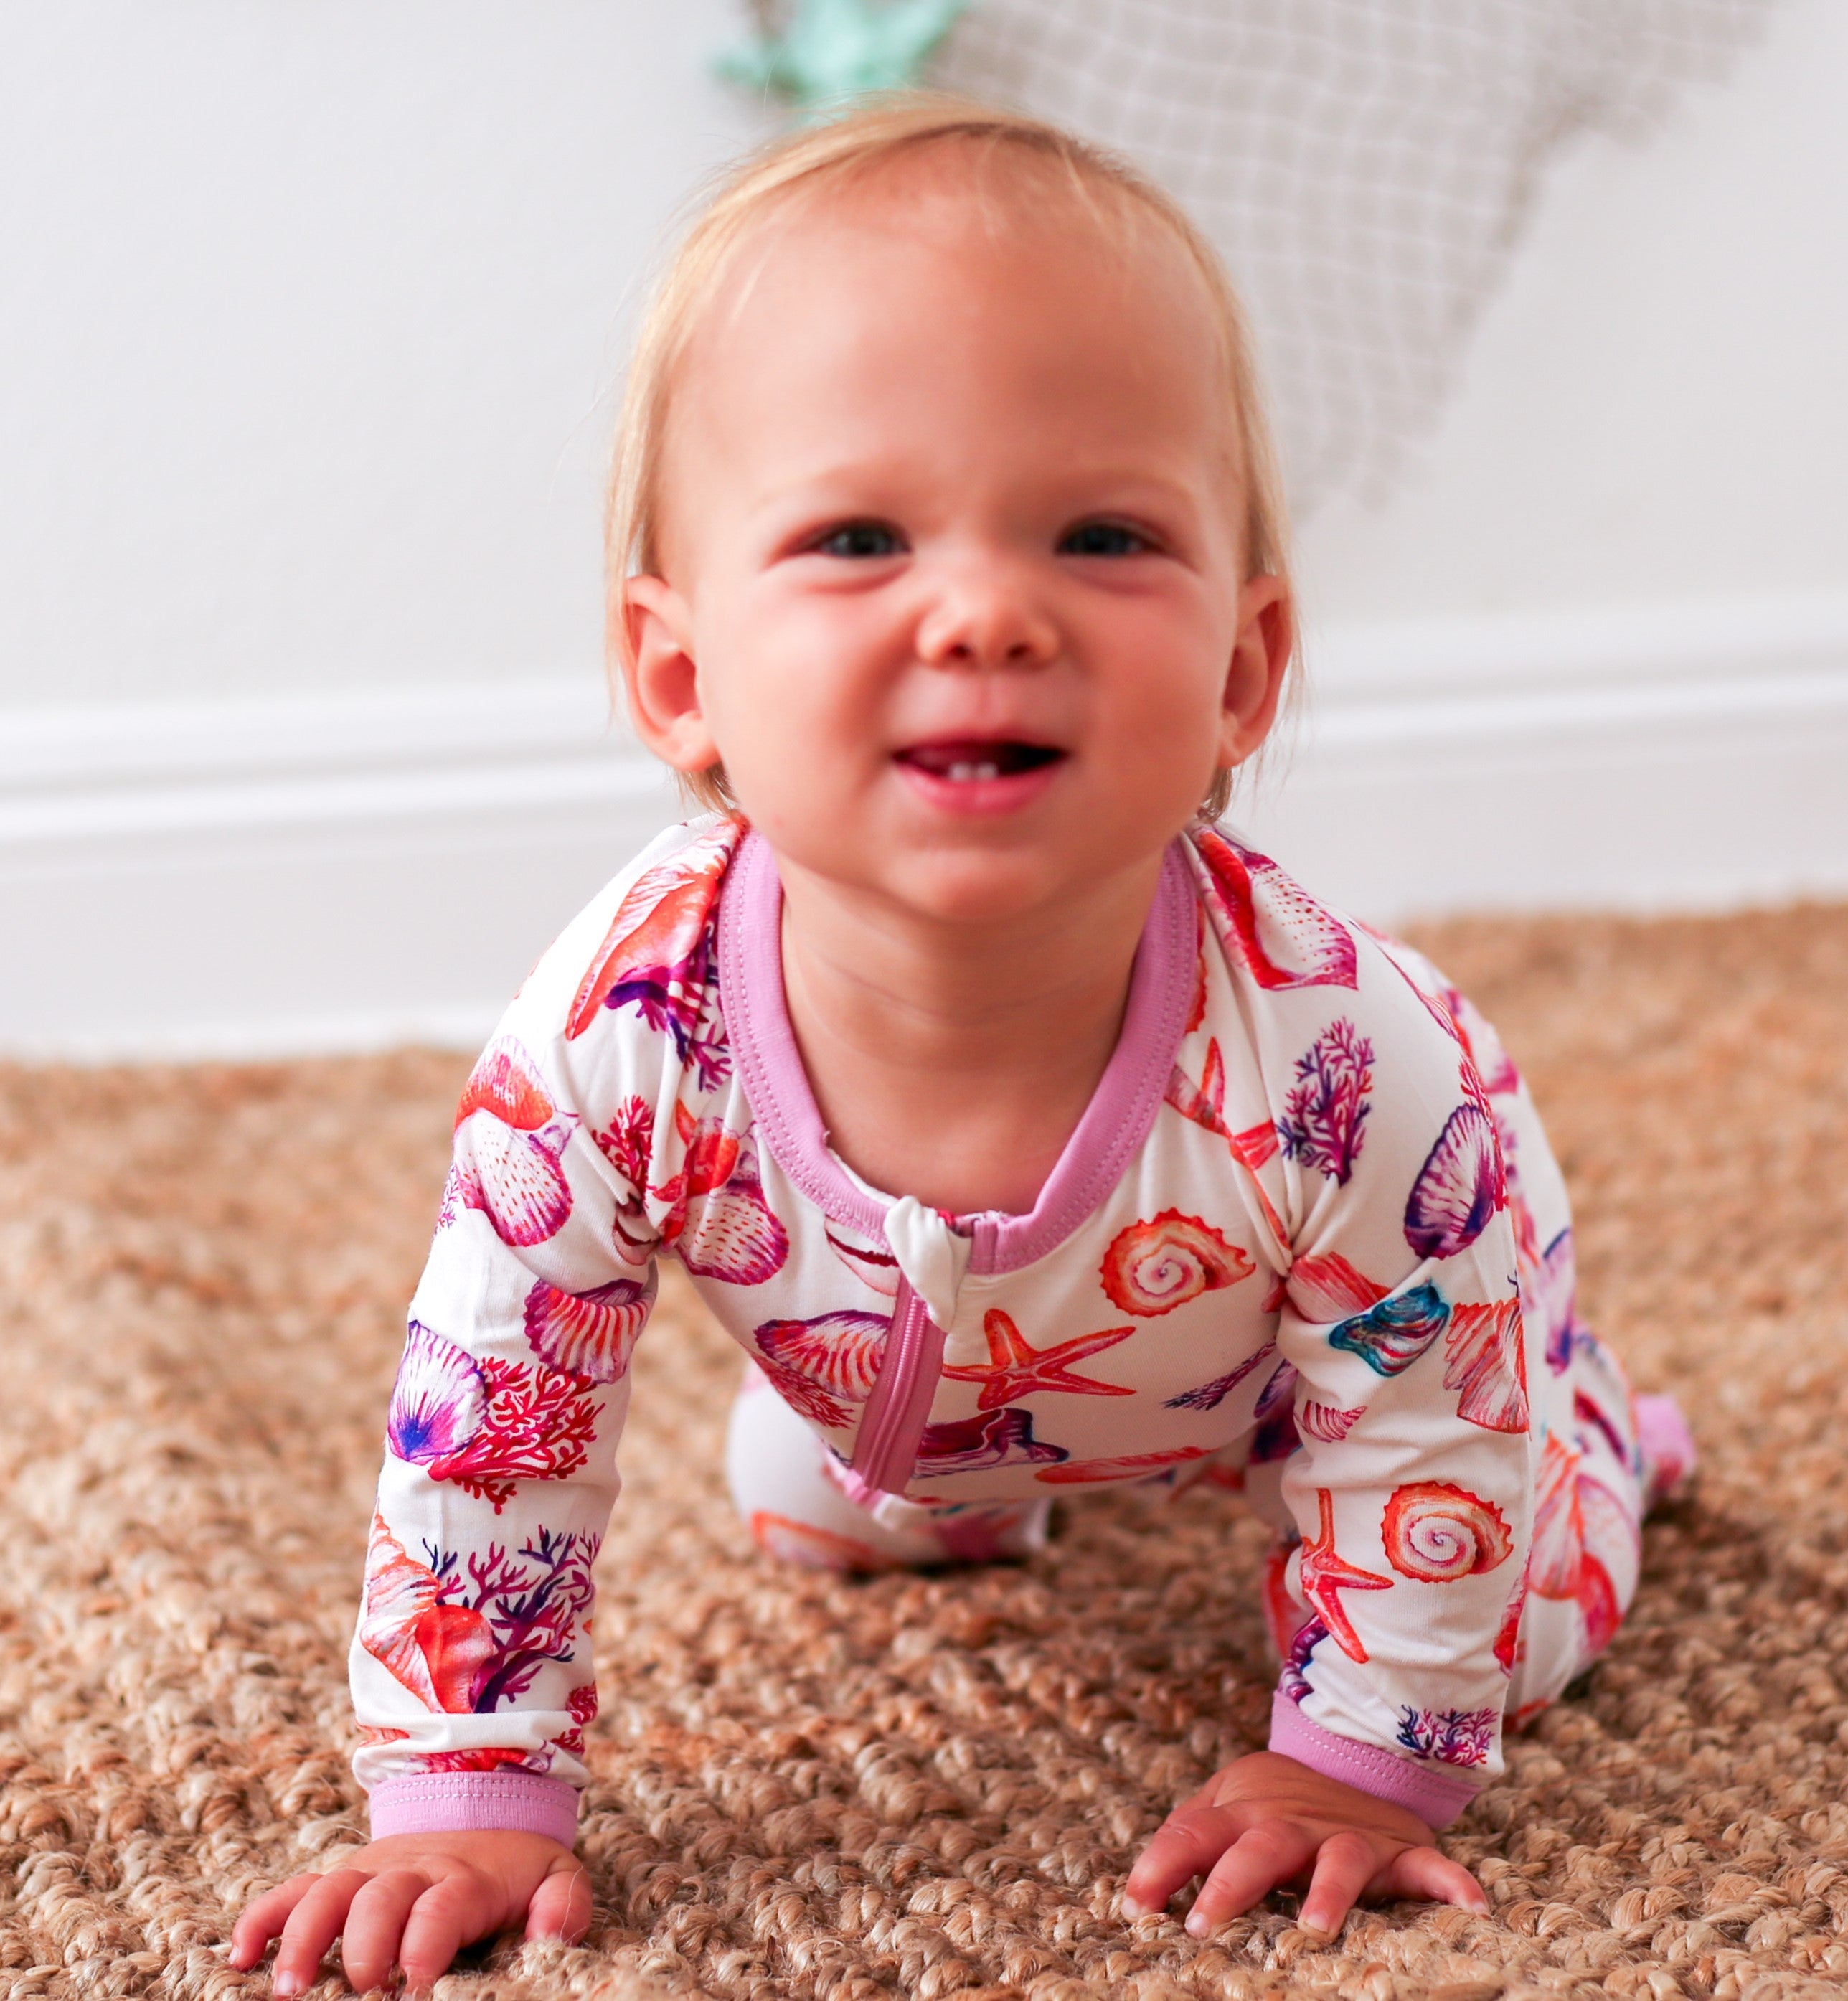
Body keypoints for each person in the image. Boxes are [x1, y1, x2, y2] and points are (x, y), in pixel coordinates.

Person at [231, 97, 1692, 1997]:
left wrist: (1360, 1766)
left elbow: (1419, 1413)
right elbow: (494, 1419)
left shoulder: (1353, 1069)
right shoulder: (620, 1027)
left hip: (1324, 1363)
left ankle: (1603, 1444)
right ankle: (964, 1456)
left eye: (1102, 535)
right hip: (913, 1376)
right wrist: (468, 1786)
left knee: (1491, 1620)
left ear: (1246, 671)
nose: (989, 611)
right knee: (807, 1490)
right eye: (857, 538)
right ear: (681, 679)